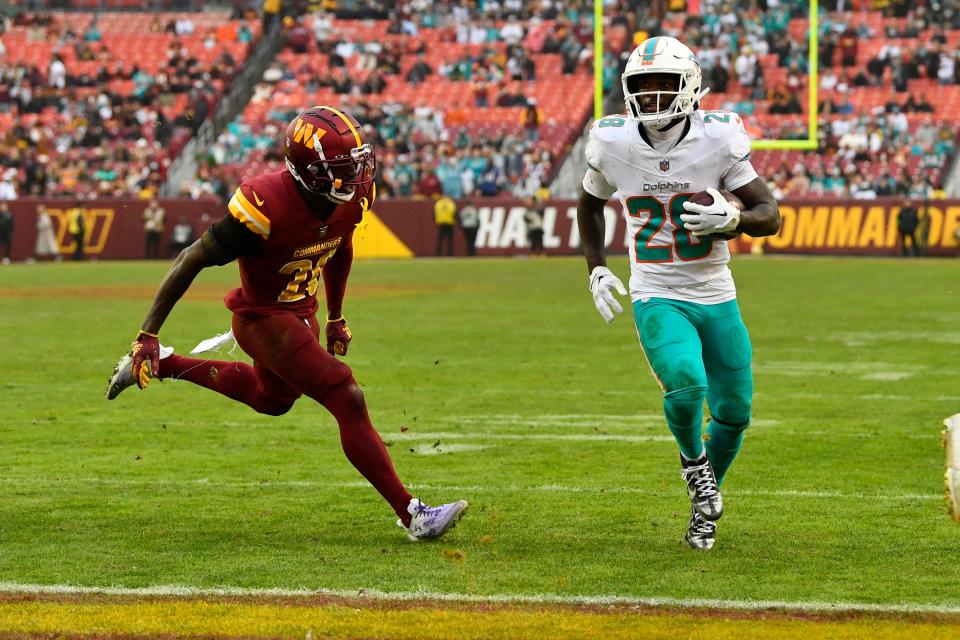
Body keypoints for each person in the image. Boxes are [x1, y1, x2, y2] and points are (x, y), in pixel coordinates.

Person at [105, 106, 468, 541]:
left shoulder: (347, 201)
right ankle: (413, 514)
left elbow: (340, 245)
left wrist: (335, 315)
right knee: (344, 393)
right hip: (262, 318)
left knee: (270, 400)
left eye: (355, 163)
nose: (355, 175)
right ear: (310, 173)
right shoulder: (264, 205)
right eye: (341, 167)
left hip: (301, 313)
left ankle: (166, 365)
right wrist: (147, 333)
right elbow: (191, 259)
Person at [577, 37, 781, 550]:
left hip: (716, 291)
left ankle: (704, 505)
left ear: (689, 86)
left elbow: (770, 215)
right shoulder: (612, 142)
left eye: (663, 84)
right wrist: (596, 269)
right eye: (642, 86)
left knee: (735, 411)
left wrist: (734, 219)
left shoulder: (719, 138)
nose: (651, 96)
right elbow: (589, 204)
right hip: (657, 291)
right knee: (687, 384)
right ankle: (695, 466)